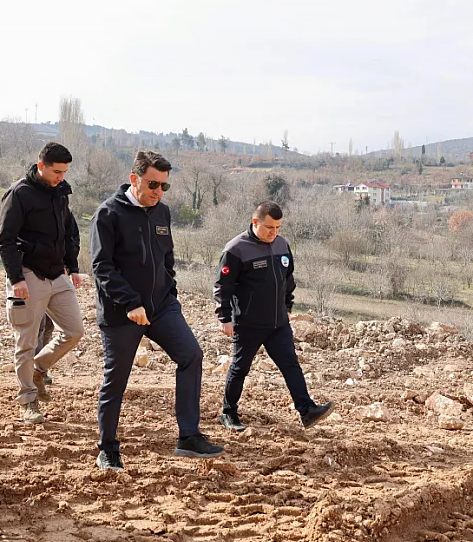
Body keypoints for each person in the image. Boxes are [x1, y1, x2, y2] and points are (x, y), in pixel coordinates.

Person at [90, 151, 223, 470]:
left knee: (191, 355)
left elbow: (166, 259)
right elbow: (101, 266)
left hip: (162, 307)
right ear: (134, 179)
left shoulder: (161, 212)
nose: (159, 191)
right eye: (153, 184)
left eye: (164, 186)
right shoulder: (107, 214)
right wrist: (130, 302)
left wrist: (170, 293)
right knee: (116, 378)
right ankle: (107, 448)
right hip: (122, 313)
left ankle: (188, 437)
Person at [213, 201, 334, 432]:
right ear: (255, 222)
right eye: (269, 227)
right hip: (249, 322)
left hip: (278, 322)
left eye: (278, 227)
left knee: (291, 365)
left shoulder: (281, 245)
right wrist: (224, 317)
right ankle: (228, 413)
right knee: (240, 368)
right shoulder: (236, 249)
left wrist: (287, 305)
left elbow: (288, 278)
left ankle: (307, 411)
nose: (274, 232)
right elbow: (222, 286)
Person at [0, 142, 87, 424]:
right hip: (28, 275)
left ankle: (38, 368)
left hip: (57, 275)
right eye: (57, 171)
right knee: (25, 342)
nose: (61, 177)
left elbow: (69, 232)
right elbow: (5, 241)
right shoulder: (19, 194)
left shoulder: (61, 193)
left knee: (74, 331)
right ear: (41, 166)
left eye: (65, 172)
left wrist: (72, 267)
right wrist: (16, 278)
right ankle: (28, 401)